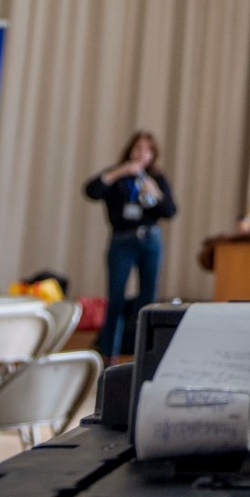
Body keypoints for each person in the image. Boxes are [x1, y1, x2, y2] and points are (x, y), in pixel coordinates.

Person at [85, 132, 177, 360]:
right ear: (130, 150)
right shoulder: (117, 175)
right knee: (115, 299)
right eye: (138, 148)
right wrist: (120, 172)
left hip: (149, 240)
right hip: (122, 241)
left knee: (147, 300)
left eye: (147, 150)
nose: (141, 154)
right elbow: (91, 191)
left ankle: (144, 356)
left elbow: (170, 211)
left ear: (153, 155)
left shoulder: (155, 178)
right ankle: (108, 356)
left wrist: (155, 193)